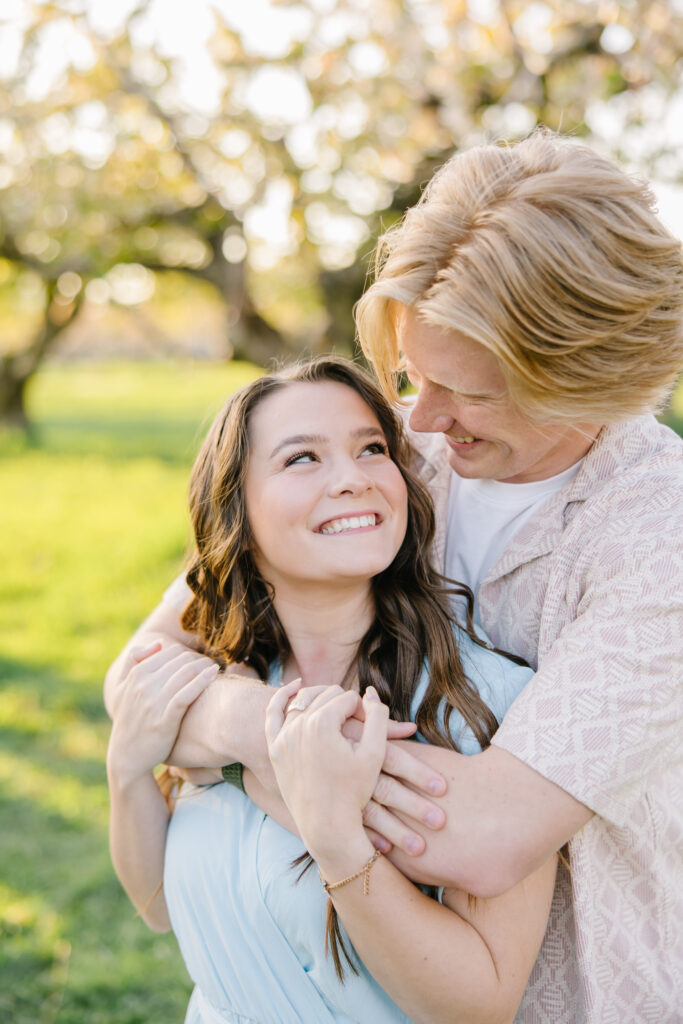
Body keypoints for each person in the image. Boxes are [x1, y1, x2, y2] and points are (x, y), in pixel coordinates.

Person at [105, 130, 683, 1024]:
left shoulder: (658, 537)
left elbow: (483, 837)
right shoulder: (394, 459)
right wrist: (270, 728)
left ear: (587, 379)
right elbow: (141, 672)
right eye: (411, 374)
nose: (418, 417)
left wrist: (215, 737)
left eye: (468, 391)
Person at [106, 357, 555, 1024]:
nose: (352, 480)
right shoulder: (222, 681)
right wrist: (127, 772)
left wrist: (337, 842)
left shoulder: (483, 705)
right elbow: (160, 907)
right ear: (239, 510)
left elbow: (479, 1005)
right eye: (302, 459)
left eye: (371, 449)